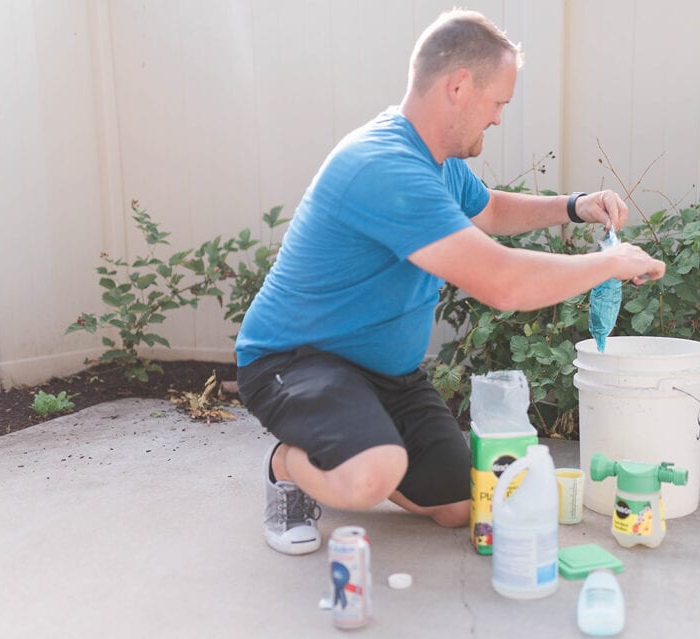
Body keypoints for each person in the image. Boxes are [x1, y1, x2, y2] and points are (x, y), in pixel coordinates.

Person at [235, 9, 666, 555]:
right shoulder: (384, 167)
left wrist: (574, 207)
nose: (499, 119)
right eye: (498, 103)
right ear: (459, 86)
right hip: (296, 360)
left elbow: (489, 211)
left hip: (384, 374)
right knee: (374, 471)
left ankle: (354, 448)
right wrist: (609, 263)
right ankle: (287, 468)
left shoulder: (436, 161)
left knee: (463, 505)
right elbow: (503, 284)